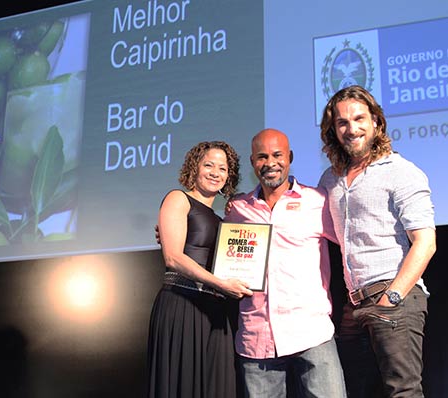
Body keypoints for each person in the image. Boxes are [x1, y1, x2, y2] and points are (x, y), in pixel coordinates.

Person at [318, 85, 437, 398]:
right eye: (342, 122)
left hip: (393, 296)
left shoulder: (401, 172)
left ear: (377, 123)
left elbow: (425, 241)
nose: (351, 128)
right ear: (333, 129)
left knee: (403, 392)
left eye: (359, 119)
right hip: (353, 305)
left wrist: (392, 298)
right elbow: (327, 232)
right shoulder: (330, 179)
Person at [224, 128, 347, 398]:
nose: (270, 163)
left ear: (289, 157)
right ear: (252, 162)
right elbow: (219, 249)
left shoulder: (316, 201)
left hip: (311, 330)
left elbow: (351, 242)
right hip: (257, 335)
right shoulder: (238, 209)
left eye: (277, 155)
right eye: (262, 157)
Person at [146, 141, 253, 398]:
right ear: (195, 167)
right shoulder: (178, 199)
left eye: (223, 168)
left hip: (215, 310)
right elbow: (173, 258)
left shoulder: (222, 221)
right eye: (209, 165)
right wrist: (222, 285)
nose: (215, 172)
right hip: (182, 304)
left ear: (229, 175)